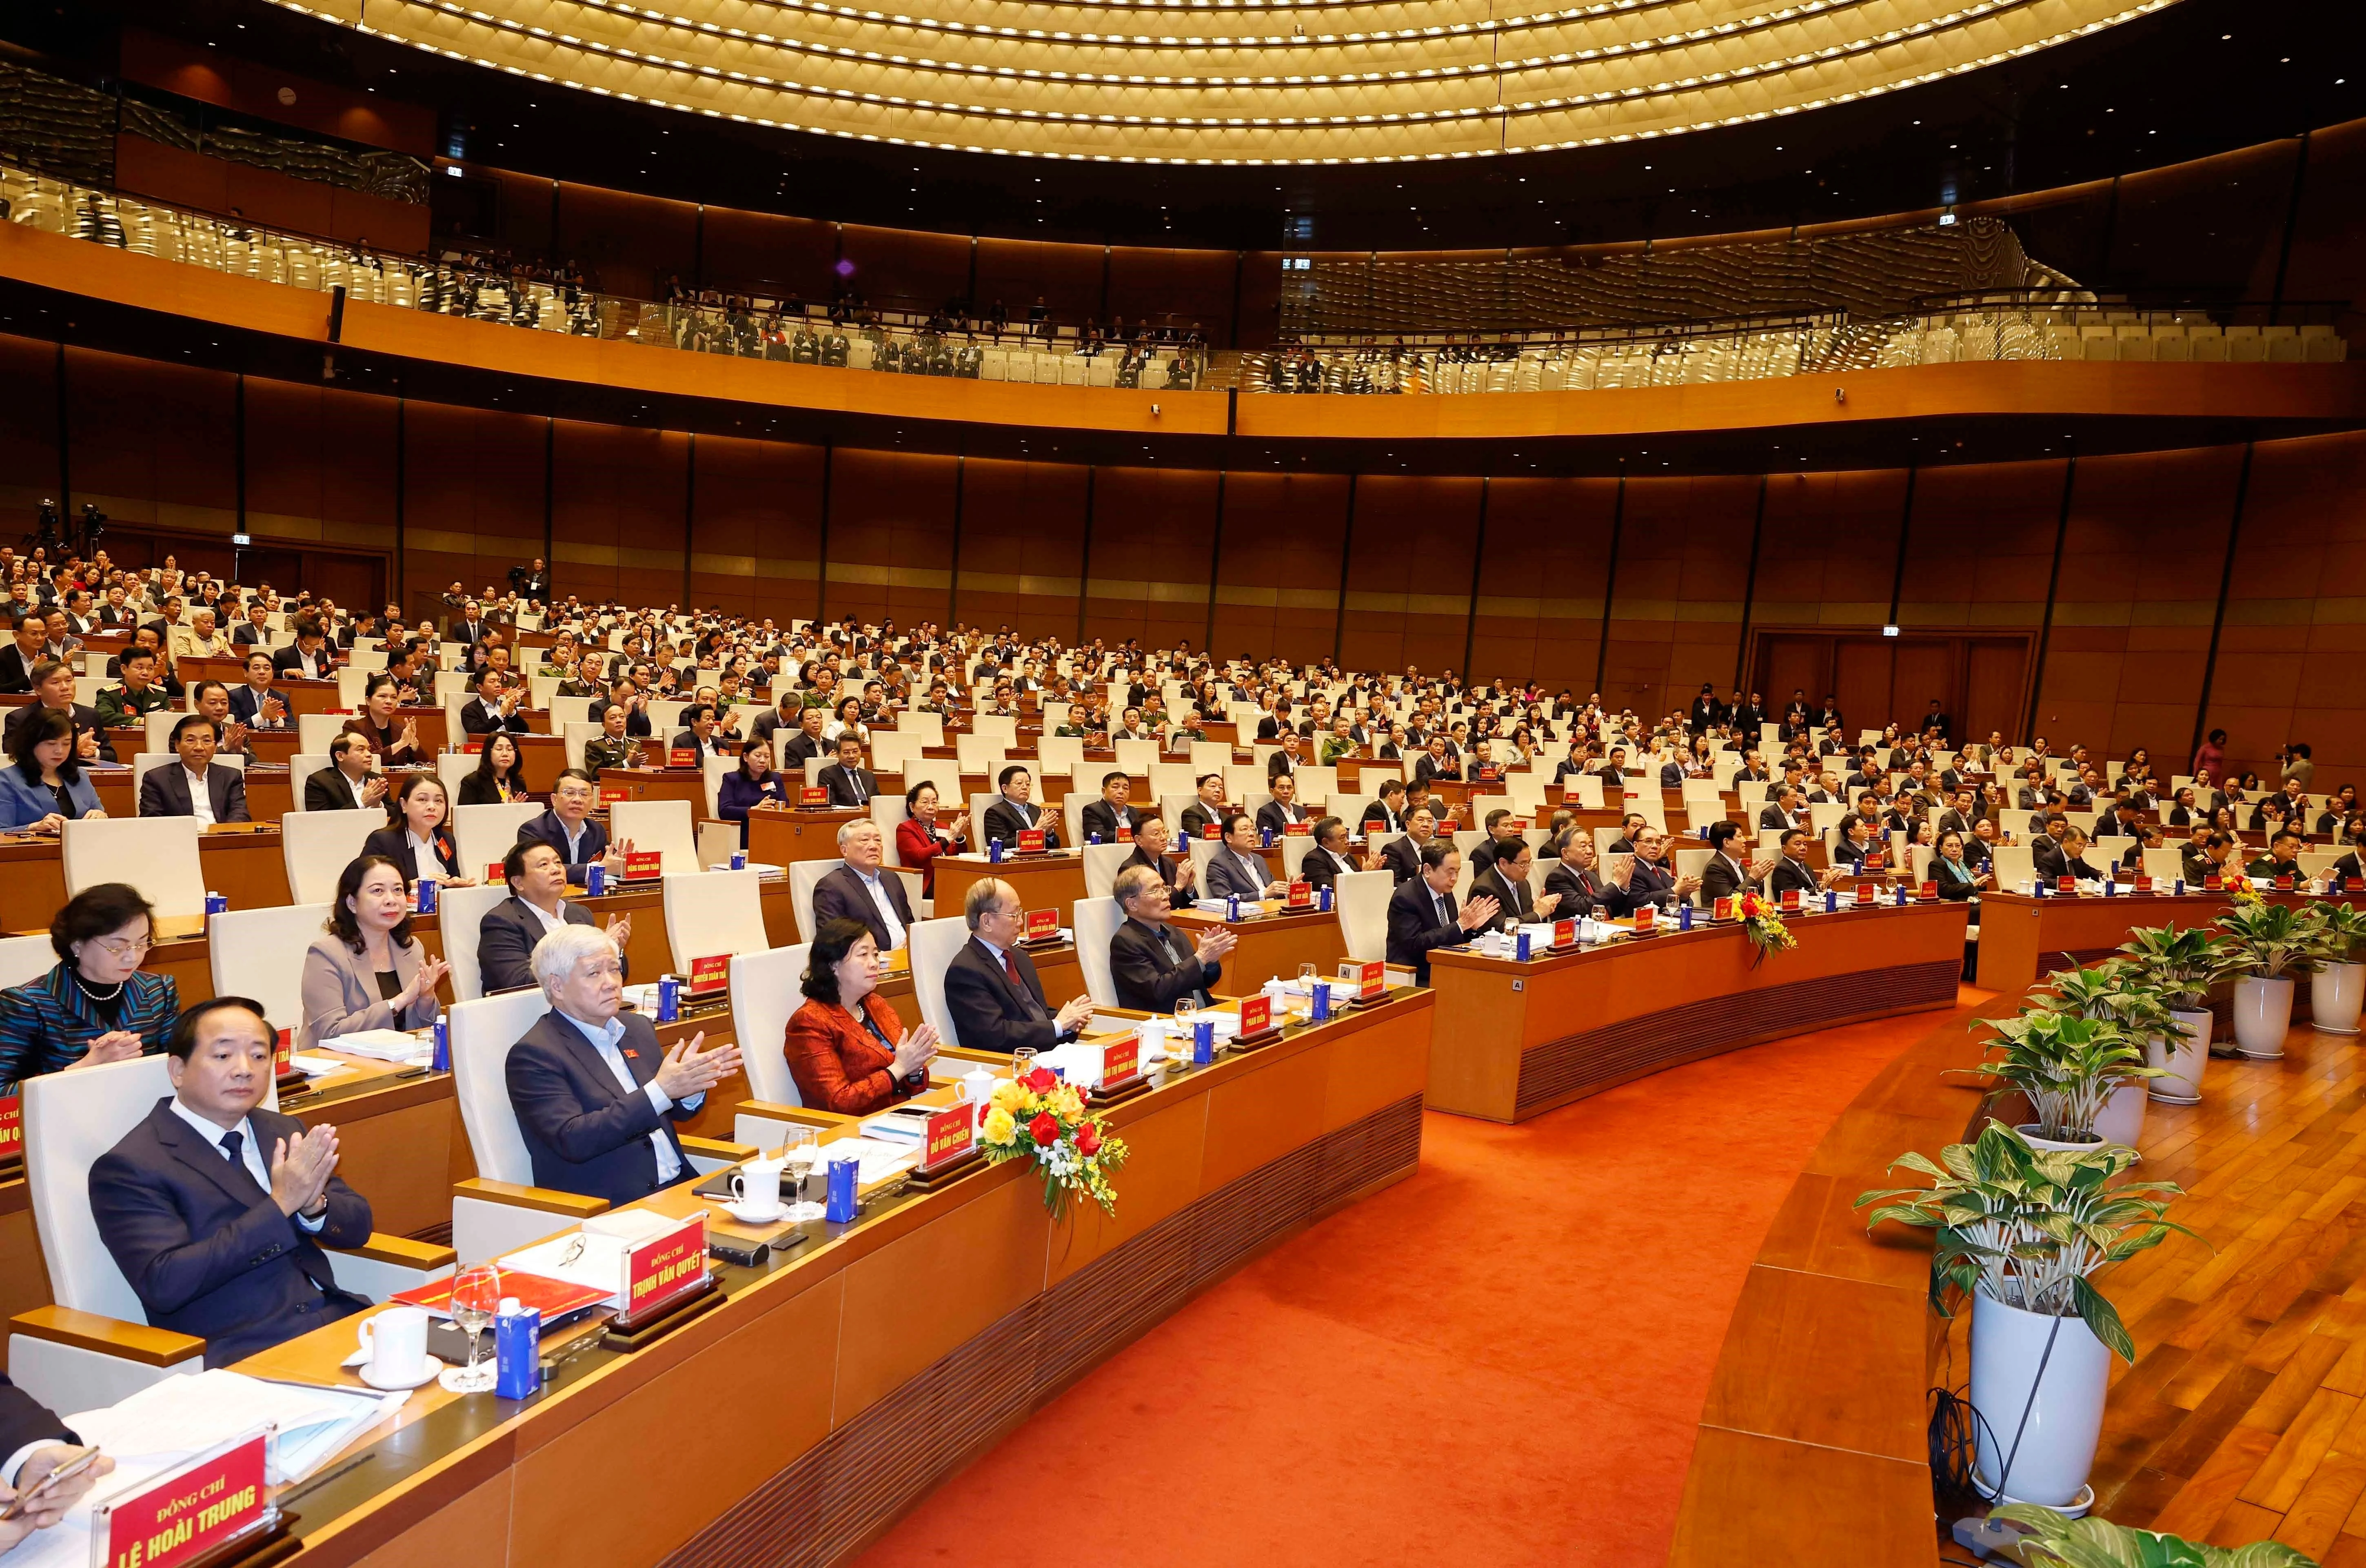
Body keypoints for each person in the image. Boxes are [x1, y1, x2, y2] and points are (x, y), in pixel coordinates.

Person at [89, 996, 375, 1366]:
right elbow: (166, 1284)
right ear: (178, 1070)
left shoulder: (283, 1129)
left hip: (337, 1323)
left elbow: (358, 1226)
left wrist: (313, 1206)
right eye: (223, 1056)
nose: (245, 1069)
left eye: (259, 1056)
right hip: (241, 1352)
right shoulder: (131, 1166)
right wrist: (282, 1203)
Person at [508, 925, 740, 1204]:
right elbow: (575, 1139)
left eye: (614, 969)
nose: (612, 982)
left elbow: (669, 1110)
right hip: (612, 1205)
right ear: (557, 986)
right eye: (594, 973)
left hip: (682, 1187)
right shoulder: (535, 1054)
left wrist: (689, 1087)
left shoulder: (636, 1028)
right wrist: (661, 1090)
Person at [0, 883, 179, 1096]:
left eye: (141, 944)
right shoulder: (26, 1004)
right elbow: (4, 1093)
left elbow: (180, 1067)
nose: (133, 957)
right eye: (117, 947)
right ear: (77, 945)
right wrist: (86, 1067)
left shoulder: (159, 991)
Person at [784, 918, 937, 1114]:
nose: (875, 963)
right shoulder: (810, 1023)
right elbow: (838, 1102)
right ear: (834, 965)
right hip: (853, 1130)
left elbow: (914, 1085)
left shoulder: (877, 1004)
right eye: (863, 955)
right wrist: (900, 1068)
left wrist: (914, 1068)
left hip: (900, 1114)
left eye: (876, 954)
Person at [297, 855, 449, 1049]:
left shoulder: (411, 948)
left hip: (402, 1063)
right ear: (352, 903)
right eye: (378, 891)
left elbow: (426, 1032)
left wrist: (426, 998)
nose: (391, 900)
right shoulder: (326, 954)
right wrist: (399, 1001)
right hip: (341, 1069)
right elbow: (330, 1033)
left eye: (398, 890)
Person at [940, 878, 1095, 1053]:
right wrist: (1058, 1026)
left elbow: (1036, 1012)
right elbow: (994, 1035)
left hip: (1047, 1054)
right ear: (987, 922)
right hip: (1010, 1066)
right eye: (1014, 915)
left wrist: (1070, 1022)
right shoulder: (965, 972)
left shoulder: (1019, 957)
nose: (1021, 921)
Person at [477, 841, 633, 996]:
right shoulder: (501, 922)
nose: (556, 870)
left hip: (586, 1007)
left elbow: (617, 977)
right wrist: (593, 954)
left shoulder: (579, 914)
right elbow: (519, 982)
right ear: (518, 882)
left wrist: (613, 950)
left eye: (558, 863)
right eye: (543, 865)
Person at [1107, 865, 1235, 1012]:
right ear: (1132, 904)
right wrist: (1201, 958)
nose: (1166, 896)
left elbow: (1205, 981)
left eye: (1165, 888)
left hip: (1204, 1013)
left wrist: (1210, 962)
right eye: (1156, 890)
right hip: (1166, 1022)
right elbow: (1157, 990)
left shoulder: (1173, 932)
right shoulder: (1125, 942)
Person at [1385, 841, 1499, 984]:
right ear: (1427, 870)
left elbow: (1452, 938)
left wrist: (1472, 928)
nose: (1455, 878)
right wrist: (1460, 925)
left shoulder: (1445, 892)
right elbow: (1415, 945)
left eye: (1458, 872)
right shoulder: (1406, 897)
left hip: (1444, 966)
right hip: (1416, 974)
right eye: (1450, 872)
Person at [811, 819, 916, 952]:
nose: (874, 846)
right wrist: (880, 956)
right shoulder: (831, 887)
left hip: (910, 955)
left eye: (878, 840)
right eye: (864, 840)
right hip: (872, 964)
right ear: (845, 850)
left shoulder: (892, 878)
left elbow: (909, 922)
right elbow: (833, 941)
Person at [518, 769, 630, 885]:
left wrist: (619, 862)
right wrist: (598, 868)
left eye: (585, 794)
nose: (578, 800)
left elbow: (610, 863)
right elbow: (540, 872)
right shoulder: (533, 831)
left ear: (592, 802)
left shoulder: (596, 830)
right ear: (554, 800)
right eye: (570, 793)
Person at [362, 774, 473, 889]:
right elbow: (364, 887)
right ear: (404, 805)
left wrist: (455, 885)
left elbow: (453, 880)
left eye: (438, 800)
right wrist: (411, 886)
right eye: (422, 800)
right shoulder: (383, 841)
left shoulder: (446, 840)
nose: (432, 807)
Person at [0, 709, 104, 833]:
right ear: (31, 743)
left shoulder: (79, 775)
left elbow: (100, 814)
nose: (59, 751)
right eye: (51, 744)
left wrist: (101, 817)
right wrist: (33, 827)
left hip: (83, 848)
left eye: (66, 744)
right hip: (34, 850)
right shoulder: (6, 780)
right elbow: (2, 830)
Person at [137, 714, 250, 823]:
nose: (199, 747)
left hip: (220, 838)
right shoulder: (157, 779)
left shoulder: (231, 777)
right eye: (190, 740)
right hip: (179, 840)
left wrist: (223, 836)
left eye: (207, 741)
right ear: (177, 745)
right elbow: (152, 821)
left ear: (215, 747)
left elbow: (240, 814)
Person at [2, 659, 111, 762]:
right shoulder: (20, 718)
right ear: (38, 689)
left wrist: (93, 753)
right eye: (55, 683)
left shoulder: (90, 715)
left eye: (69, 681)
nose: (65, 687)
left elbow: (111, 755)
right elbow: (14, 758)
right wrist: (74, 751)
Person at [894, 781, 967, 898]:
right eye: (925, 802)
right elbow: (920, 856)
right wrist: (948, 839)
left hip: (947, 875)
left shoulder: (942, 827)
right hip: (925, 881)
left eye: (934, 802)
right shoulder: (905, 829)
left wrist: (959, 836)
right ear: (912, 807)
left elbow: (957, 855)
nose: (931, 807)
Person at [1472, 835, 1560, 924]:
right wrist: (1537, 914)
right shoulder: (1484, 889)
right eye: (1523, 865)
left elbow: (1527, 918)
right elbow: (1501, 926)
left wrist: (1540, 909)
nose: (1528, 870)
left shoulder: (1522, 883)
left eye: (1529, 863)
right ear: (1503, 864)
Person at [718, 741, 791, 844]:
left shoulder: (775, 778)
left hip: (772, 829)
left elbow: (785, 805)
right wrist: (754, 810)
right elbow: (725, 811)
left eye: (767, 757)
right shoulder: (732, 779)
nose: (763, 761)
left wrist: (771, 809)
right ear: (746, 757)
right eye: (758, 756)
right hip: (743, 832)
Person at [342, 674, 422, 767]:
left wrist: (414, 746)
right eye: (382, 696)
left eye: (394, 697)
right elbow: (364, 760)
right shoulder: (354, 727)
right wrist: (401, 744)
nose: (389, 701)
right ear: (368, 701)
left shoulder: (401, 730)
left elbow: (424, 763)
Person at [1205, 812, 1285, 902]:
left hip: (1273, 909)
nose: (1252, 834)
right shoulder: (1219, 864)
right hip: (1248, 913)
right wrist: (1263, 895)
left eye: (1253, 829)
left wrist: (1289, 891)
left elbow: (1274, 892)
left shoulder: (1259, 860)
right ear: (1228, 838)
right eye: (1244, 829)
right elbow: (1225, 899)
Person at [305, 732, 388, 814]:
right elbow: (320, 819)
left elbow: (394, 813)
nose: (369, 754)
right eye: (361, 750)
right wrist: (363, 803)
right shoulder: (320, 782)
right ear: (340, 756)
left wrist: (378, 805)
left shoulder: (377, 780)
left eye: (369, 750)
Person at [1118, 813, 1197, 896]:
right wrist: (1179, 886)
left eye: (1164, 832)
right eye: (1156, 834)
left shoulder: (1169, 862)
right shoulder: (1130, 869)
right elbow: (1149, 904)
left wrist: (1188, 887)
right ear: (1139, 840)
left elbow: (1184, 903)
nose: (1163, 838)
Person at [93, 644, 171, 728]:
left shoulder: (160, 694)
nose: (145, 673)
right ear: (124, 669)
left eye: (150, 669)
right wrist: (140, 721)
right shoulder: (110, 694)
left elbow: (171, 716)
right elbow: (102, 716)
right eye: (139, 668)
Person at [981, 765, 1059, 848]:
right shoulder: (995, 813)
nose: (1025, 787)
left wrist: (1048, 833)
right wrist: (1035, 832)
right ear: (1005, 789)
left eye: (1028, 784)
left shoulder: (1036, 810)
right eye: (1019, 783)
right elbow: (1001, 845)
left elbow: (1055, 846)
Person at [1697, 821, 1772, 905]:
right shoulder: (1714, 868)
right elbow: (1730, 900)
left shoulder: (1739, 864)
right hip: (1723, 916)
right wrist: (1752, 878)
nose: (1744, 840)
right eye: (1739, 836)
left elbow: (1754, 896)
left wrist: (1758, 880)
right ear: (1727, 843)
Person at [1542, 829, 1613, 915]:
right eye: (1583, 846)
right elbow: (1583, 908)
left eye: (1590, 846)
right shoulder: (1557, 878)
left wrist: (1624, 887)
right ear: (1565, 853)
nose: (1590, 851)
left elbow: (1614, 909)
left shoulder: (1592, 876)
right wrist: (1615, 884)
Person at [1298, 815, 1376, 892]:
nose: (1347, 841)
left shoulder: (1348, 857)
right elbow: (1331, 889)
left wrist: (1371, 874)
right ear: (1326, 842)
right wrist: (1364, 876)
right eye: (1342, 838)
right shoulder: (1313, 861)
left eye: (1346, 836)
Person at [458, 732, 528, 805]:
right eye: (499, 749)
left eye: (510, 749)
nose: (505, 754)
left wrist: (519, 810)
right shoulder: (472, 782)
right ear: (488, 753)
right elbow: (465, 815)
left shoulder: (519, 783)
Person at [817, 734, 880, 807]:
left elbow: (878, 802)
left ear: (860, 751)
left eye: (855, 751)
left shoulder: (869, 776)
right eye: (846, 752)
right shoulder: (828, 775)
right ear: (838, 754)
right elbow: (831, 805)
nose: (852, 756)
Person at [1079, 771, 1139, 843]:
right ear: (1104, 791)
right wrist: (1130, 836)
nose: (1121, 791)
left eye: (1126, 788)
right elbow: (1098, 835)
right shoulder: (1093, 810)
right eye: (1115, 787)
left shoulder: (1134, 812)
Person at [1932, 829, 1987, 901]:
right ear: (1941, 848)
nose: (1955, 850)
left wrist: (1981, 886)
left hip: (1972, 901)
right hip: (1954, 904)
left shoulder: (1964, 865)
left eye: (1958, 846)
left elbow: (1973, 889)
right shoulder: (1937, 865)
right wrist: (1972, 885)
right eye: (1950, 846)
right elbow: (1943, 890)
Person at [584, 703, 637, 778]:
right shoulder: (595, 745)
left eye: (622, 717)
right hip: (609, 787)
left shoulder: (635, 745)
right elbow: (596, 775)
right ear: (604, 725)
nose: (619, 721)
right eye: (613, 718)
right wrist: (626, 763)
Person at [1256, 772, 1311, 836]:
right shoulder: (1266, 812)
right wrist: (1299, 830)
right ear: (1272, 791)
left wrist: (1311, 829)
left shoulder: (1300, 810)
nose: (1286, 792)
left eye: (1289, 788)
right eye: (1281, 788)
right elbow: (1267, 837)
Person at [1178, 773, 1228, 840]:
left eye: (1221, 788)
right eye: (1213, 786)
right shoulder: (1191, 813)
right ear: (1200, 791)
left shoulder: (1226, 816)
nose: (1218, 790)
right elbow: (1198, 835)